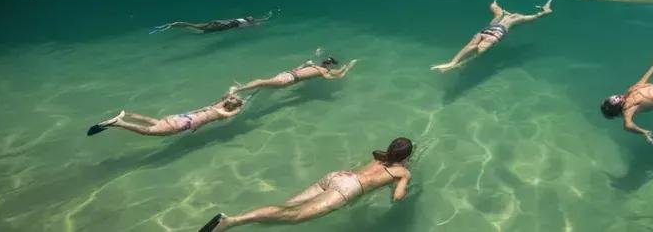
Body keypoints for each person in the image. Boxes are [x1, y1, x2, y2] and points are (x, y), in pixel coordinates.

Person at [198, 137, 414, 231]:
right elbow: (397, 198)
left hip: (338, 176)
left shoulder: (380, 156)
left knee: (286, 207)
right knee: (294, 216)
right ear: (406, 157)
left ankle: (246, 223)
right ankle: (230, 222)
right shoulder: (402, 171)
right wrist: (405, 186)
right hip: (347, 189)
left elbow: (372, 161)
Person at [431, 0, 554, 72]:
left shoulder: (517, 18)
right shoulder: (501, 15)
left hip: (493, 34)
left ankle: (459, 63)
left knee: (476, 48)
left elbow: (534, 17)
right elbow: (494, 7)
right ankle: (454, 62)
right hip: (488, 31)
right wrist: (494, 4)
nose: (515, 13)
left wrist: (545, 11)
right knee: (472, 46)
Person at [86, 93, 247, 137]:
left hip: (180, 117)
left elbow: (225, 96)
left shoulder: (215, 106)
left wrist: (234, 91)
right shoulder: (221, 112)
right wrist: (242, 104)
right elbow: (235, 112)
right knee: (148, 132)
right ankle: (120, 123)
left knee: (153, 122)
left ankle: (127, 114)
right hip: (182, 124)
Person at [231, 57, 357, 93]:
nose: (326, 62)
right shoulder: (314, 66)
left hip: (288, 79)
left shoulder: (324, 71)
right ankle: (245, 89)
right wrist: (304, 64)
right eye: (326, 61)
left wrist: (346, 69)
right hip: (286, 74)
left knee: (260, 81)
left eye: (328, 62)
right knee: (263, 83)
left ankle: (239, 89)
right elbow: (297, 69)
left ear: (330, 66)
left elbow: (337, 76)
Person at [149, 13, 271, 34]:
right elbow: (251, 22)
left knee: (196, 26)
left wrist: (260, 21)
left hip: (218, 23)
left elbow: (251, 21)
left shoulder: (242, 21)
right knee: (198, 29)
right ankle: (176, 24)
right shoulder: (245, 22)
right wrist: (257, 24)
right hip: (219, 26)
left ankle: (175, 24)